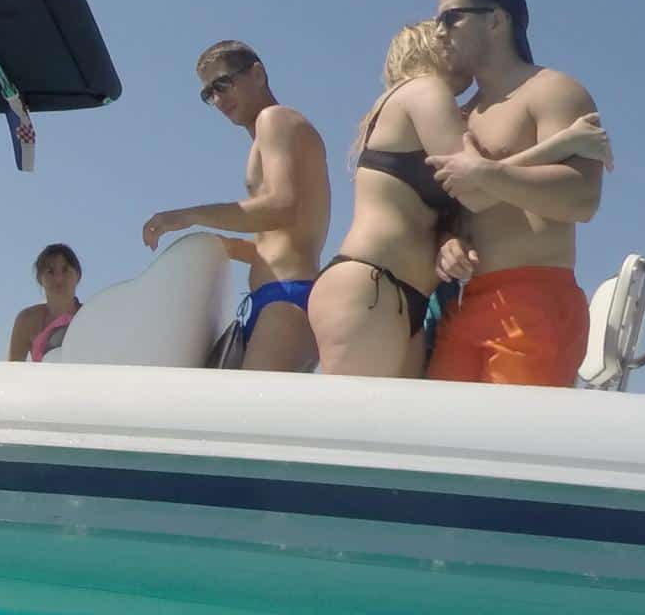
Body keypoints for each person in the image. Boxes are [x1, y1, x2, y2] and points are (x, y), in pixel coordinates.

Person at [311, 22, 615, 378]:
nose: (460, 53)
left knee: (396, 427)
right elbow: (475, 184)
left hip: (398, 295)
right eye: (448, 45)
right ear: (429, 51)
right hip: (373, 286)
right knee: (359, 425)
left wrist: (451, 239)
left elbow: (470, 181)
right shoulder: (425, 91)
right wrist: (560, 145)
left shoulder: (420, 108)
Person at [424, 0, 604, 386]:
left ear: (496, 21)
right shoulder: (463, 113)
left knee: (509, 445)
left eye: (451, 18)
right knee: (436, 443)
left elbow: (581, 199)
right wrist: (448, 243)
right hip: (465, 303)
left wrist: (487, 172)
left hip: (535, 299)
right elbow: (459, 205)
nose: (438, 33)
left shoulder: (553, 92)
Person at [142, 41, 331, 372]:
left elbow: (282, 207)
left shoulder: (276, 119)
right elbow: (279, 241)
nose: (217, 99)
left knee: (252, 416)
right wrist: (221, 246)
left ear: (257, 74)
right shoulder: (266, 134)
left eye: (222, 84)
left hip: (286, 299)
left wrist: (188, 216)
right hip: (277, 298)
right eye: (207, 94)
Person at [6, 243, 84, 363]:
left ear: (78, 276)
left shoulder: (91, 317)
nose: (58, 278)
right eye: (50, 271)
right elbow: (11, 371)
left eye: (65, 270)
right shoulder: (27, 320)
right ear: (40, 278)